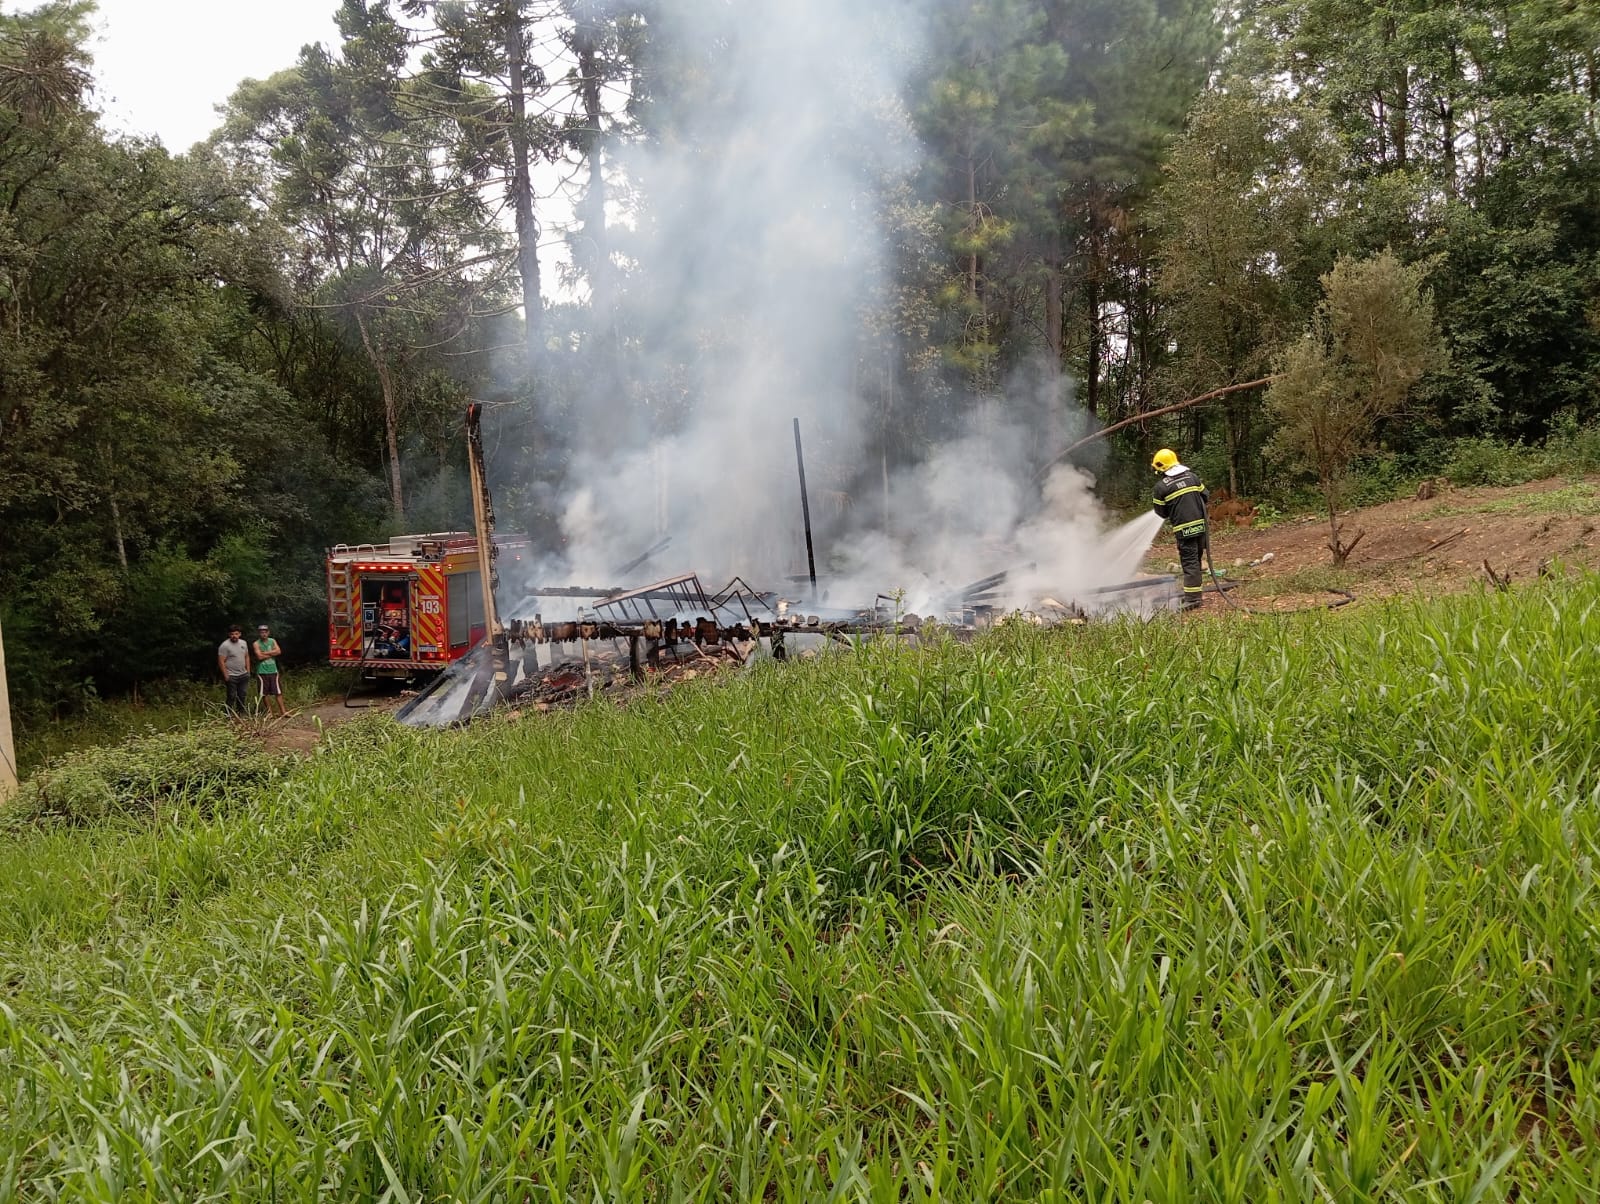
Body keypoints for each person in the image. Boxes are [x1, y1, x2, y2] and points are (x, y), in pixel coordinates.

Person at [1151, 448, 1210, 611]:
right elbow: (1205, 496)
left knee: (1189, 562)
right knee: (1195, 561)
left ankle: (1193, 599)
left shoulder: (1161, 487)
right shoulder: (1193, 477)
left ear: (1161, 467)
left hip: (1184, 531)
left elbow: (1160, 512)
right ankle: (1193, 594)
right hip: (1201, 527)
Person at [253, 623, 289, 718]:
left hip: (273, 670)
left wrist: (266, 653)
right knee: (264, 693)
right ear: (259, 633)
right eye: (261, 632)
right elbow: (259, 656)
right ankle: (269, 713)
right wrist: (272, 653)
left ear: (268, 632)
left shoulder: (272, 641)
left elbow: (279, 651)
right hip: (262, 671)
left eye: (265, 632)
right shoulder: (256, 643)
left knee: (278, 692)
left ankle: (283, 712)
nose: (263, 634)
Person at [217, 624, 252, 715]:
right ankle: (228, 714)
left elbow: (247, 656)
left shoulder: (243, 643)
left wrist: (248, 671)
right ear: (229, 634)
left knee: (242, 695)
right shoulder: (224, 645)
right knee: (231, 696)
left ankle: (241, 713)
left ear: (240, 634)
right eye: (232, 634)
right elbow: (221, 661)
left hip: (243, 674)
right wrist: (226, 675)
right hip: (231, 675)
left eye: (236, 634)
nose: (234, 636)